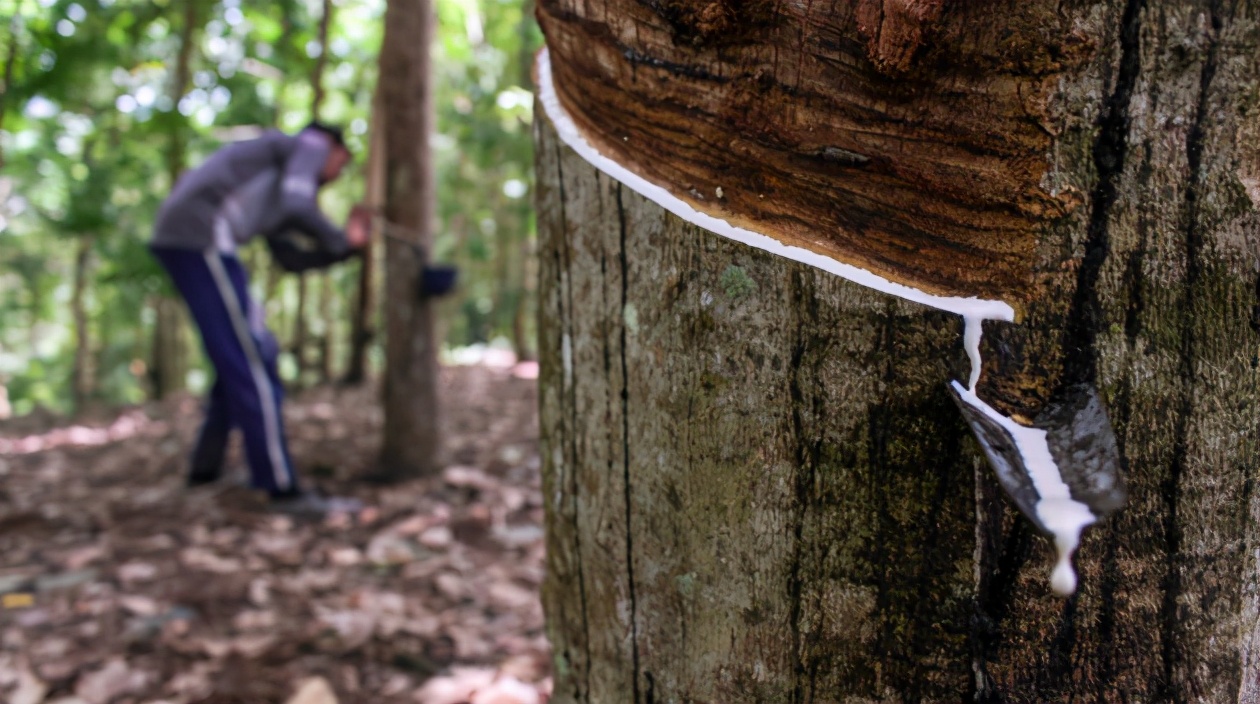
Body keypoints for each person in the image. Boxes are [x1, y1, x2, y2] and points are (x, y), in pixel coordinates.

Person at [149, 121, 371, 513]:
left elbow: (290, 259)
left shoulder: (274, 179)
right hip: (202, 235)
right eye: (343, 164)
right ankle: (282, 489)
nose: (337, 174)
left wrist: (347, 249)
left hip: (196, 240)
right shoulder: (311, 144)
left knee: (251, 354)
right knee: (251, 360)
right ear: (335, 149)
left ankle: (206, 467)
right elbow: (298, 206)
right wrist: (341, 238)